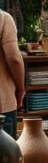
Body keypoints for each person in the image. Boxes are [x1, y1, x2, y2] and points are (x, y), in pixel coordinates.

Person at [0, 8, 25, 137]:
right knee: (5, 155)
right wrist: (21, 89)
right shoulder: (3, 19)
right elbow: (14, 58)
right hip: (3, 103)